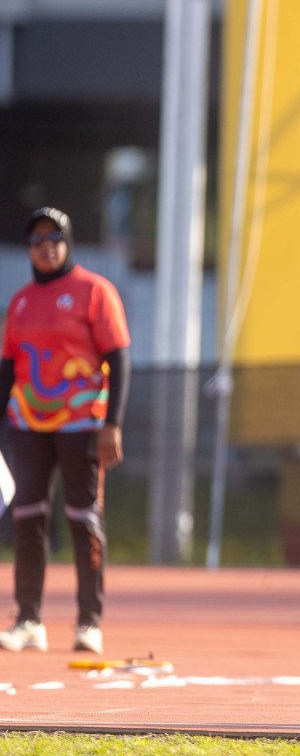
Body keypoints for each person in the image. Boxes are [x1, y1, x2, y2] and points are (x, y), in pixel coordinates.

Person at [0, 208, 130, 655]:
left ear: (67, 242)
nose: (46, 246)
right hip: (29, 424)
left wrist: (112, 424)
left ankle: (88, 622)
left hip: (82, 423)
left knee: (83, 519)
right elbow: (7, 369)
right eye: (37, 240)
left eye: (54, 237)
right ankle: (29, 620)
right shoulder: (18, 303)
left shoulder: (95, 291)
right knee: (28, 518)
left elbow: (120, 358)